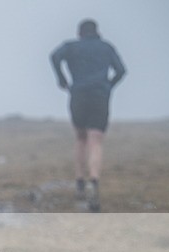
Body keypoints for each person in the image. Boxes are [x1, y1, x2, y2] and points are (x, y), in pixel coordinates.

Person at [51, 19, 126, 212]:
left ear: (79, 33)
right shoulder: (106, 47)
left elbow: (54, 56)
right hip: (100, 96)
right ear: (97, 32)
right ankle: (94, 180)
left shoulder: (71, 47)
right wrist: (108, 86)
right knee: (96, 140)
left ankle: (79, 182)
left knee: (80, 138)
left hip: (78, 94)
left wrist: (61, 78)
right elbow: (121, 70)